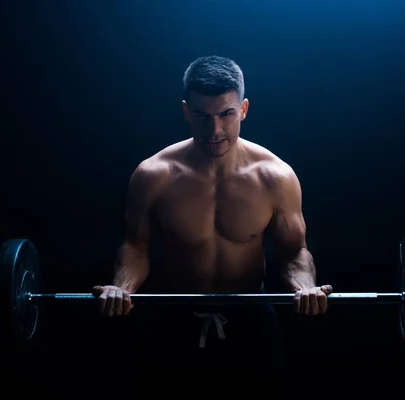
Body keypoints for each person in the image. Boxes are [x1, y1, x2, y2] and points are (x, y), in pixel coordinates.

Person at [92, 55, 332, 391]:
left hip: (252, 320)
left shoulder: (275, 177)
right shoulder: (154, 176)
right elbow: (135, 248)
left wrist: (304, 286)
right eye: (202, 116)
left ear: (244, 109)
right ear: (187, 112)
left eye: (226, 114)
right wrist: (122, 287)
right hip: (173, 319)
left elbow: (294, 252)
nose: (214, 130)